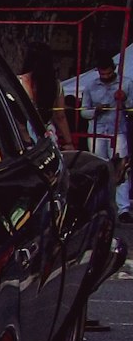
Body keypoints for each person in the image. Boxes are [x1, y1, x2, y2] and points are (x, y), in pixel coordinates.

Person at [81, 51, 131, 221]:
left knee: (121, 169)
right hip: (96, 132)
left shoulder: (126, 84)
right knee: (98, 168)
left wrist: (124, 100)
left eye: (108, 73)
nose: (106, 76)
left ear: (114, 68)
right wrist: (96, 110)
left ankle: (123, 209)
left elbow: (132, 108)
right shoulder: (90, 86)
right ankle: (98, 205)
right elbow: (83, 112)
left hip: (118, 131)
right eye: (102, 73)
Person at [18, 40, 74, 150]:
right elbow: (60, 116)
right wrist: (69, 142)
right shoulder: (55, 85)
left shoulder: (17, 83)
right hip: (47, 136)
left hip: (22, 138)